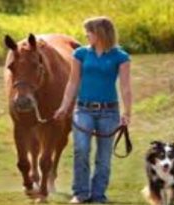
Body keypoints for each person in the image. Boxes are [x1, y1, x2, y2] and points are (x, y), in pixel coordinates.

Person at [53, 16, 132, 204]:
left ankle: (98, 195)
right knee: (81, 149)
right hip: (83, 110)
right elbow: (72, 82)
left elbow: (126, 87)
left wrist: (127, 113)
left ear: (100, 33)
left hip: (109, 112)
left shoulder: (121, 57)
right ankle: (80, 193)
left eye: (89, 31)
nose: (86, 35)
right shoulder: (80, 54)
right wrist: (64, 107)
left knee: (103, 156)